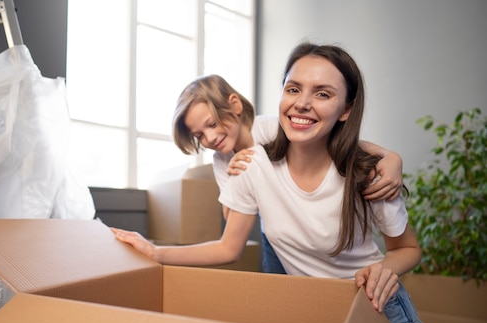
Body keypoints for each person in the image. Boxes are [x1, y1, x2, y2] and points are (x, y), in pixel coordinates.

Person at [113, 42, 430, 323]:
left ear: (345, 109)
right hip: (315, 302)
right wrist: (156, 251)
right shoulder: (243, 165)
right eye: (293, 89)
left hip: (378, 311)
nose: (301, 103)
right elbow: (228, 244)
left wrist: (392, 161)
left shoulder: (367, 174)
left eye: (323, 93)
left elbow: (408, 248)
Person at [170, 74, 404, 274]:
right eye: (199, 135)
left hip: (306, 224)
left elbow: (339, 143)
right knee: (279, 290)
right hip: (274, 235)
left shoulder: (272, 129)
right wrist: (234, 179)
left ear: (234, 105)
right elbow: (231, 219)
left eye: (211, 124)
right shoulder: (221, 161)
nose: (209, 139)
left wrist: (390, 157)